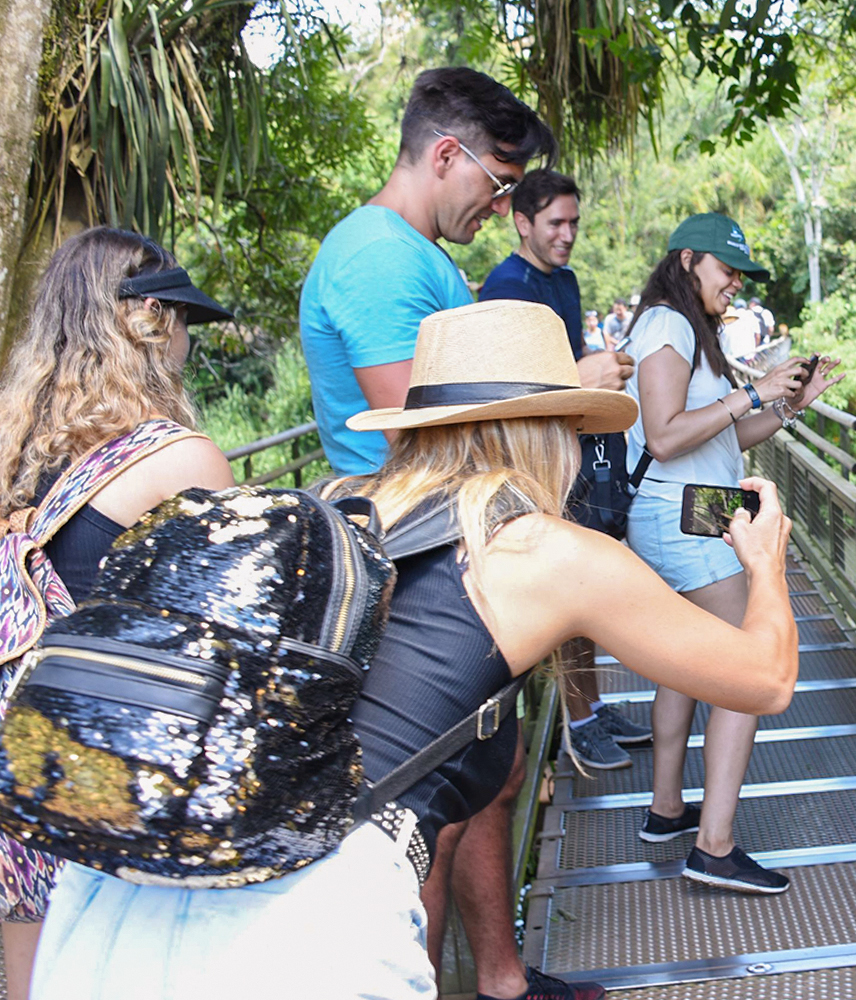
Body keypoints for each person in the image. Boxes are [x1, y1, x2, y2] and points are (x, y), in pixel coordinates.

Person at [30, 299, 800, 1000]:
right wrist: (764, 563)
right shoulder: (538, 551)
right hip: (299, 933)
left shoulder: (337, 502)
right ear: (545, 428)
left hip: (115, 898)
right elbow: (764, 680)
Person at [297, 68, 571, 1000]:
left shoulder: (419, 255)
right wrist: (560, 392)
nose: (500, 209)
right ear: (444, 154)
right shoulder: (377, 257)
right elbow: (415, 419)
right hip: (411, 560)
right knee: (424, 816)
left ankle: (500, 979)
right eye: (497, 184)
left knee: (483, 781)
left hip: (458, 545)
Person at [0, 228, 236, 998]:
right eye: (184, 323)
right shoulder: (176, 458)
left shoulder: (13, 450)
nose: (187, 345)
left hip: (18, 768)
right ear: (148, 319)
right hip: (120, 783)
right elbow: (234, 640)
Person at [622, 213, 841, 893]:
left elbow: (716, 441)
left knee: (685, 663)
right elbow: (662, 437)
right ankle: (713, 847)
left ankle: (667, 811)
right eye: (727, 270)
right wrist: (753, 388)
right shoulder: (669, 324)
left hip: (696, 502)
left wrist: (787, 406)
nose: (736, 285)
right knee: (747, 667)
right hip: (677, 509)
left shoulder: (691, 330)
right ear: (688, 260)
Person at [478, 169, 646, 773]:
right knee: (568, 589)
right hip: (532, 463)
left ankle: (593, 706)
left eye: (574, 222)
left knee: (586, 580)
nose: (568, 234)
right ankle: (577, 720)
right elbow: (505, 388)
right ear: (522, 223)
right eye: (556, 223)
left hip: (574, 451)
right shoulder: (506, 287)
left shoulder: (564, 280)